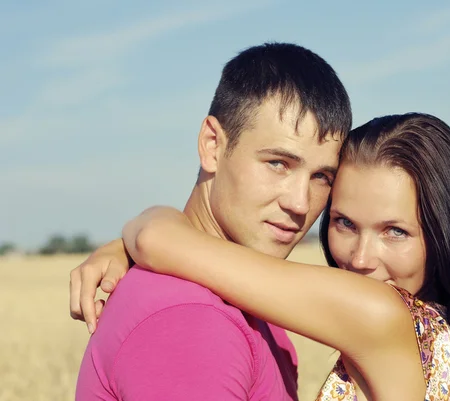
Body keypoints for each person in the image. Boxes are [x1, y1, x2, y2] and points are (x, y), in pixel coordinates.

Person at [74, 113, 450, 400]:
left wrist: (130, 238)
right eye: (345, 223)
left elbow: (156, 237)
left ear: (446, 236)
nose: (362, 259)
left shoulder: (381, 315)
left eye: (395, 231)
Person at [70, 41, 352, 400]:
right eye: (278, 163)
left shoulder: (244, 299)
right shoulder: (191, 319)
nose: (300, 203)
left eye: (321, 177)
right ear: (212, 145)